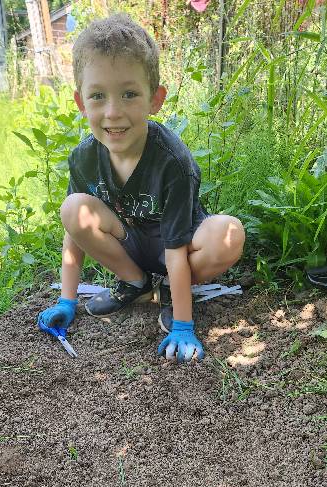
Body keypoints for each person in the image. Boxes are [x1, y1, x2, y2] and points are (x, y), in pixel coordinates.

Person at [38, 13, 244, 362]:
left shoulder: (172, 161)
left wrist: (183, 323)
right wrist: (67, 299)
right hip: (131, 244)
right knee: (72, 208)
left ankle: (170, 292)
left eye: (130, 94)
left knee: (229, 233)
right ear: (80, 102)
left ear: (155, 99)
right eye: (98, 96)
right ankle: (136, 283)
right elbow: (73, 233)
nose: (113, 112)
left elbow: (177, 249)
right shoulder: (83, 158)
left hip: (178, 248)